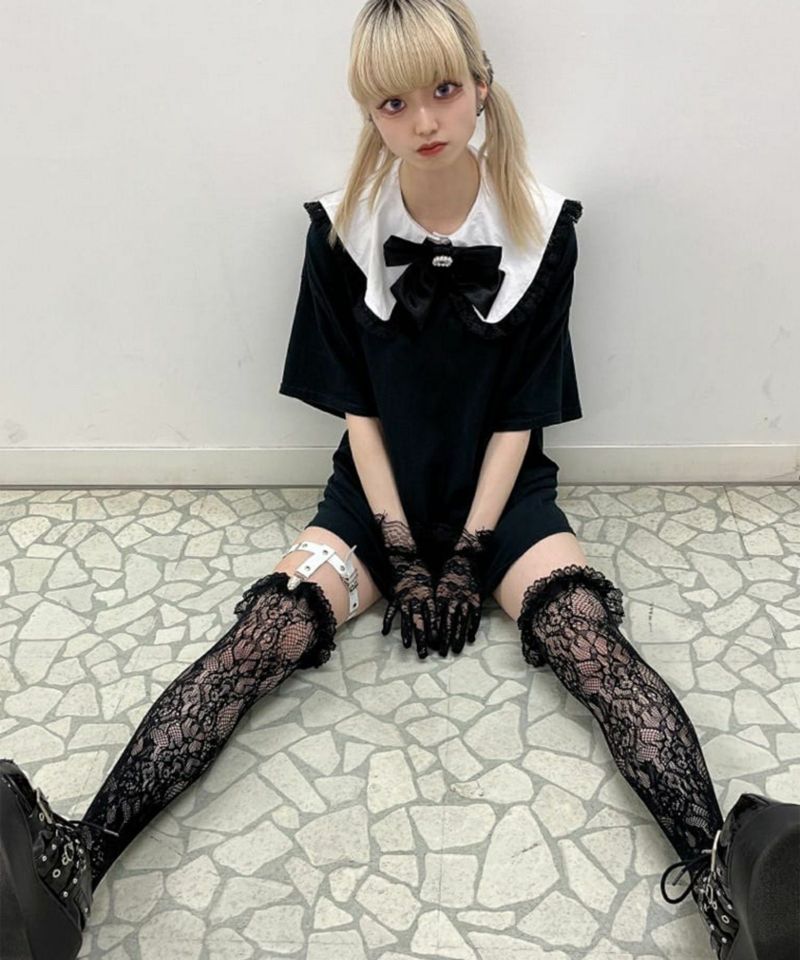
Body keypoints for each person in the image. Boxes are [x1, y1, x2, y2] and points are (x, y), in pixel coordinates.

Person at [1, 2, 798, 959]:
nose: (423, 120)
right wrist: (398, 548)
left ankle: (731, 878)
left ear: (482, 89)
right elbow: (358, 411)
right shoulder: (340, 231)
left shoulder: (545, 229)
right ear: (368, 113)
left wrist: (467, 552)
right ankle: (73, 865)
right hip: (372, 495)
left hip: (504, 495)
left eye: (444, 90)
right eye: (392, 102)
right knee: (264, 634)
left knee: (587, 641)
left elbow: (521, 413)